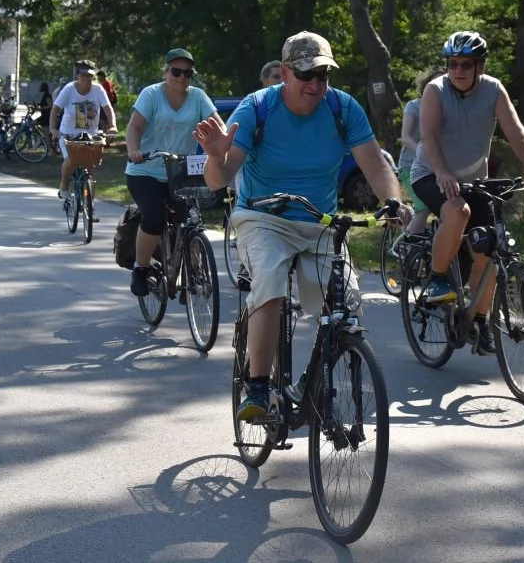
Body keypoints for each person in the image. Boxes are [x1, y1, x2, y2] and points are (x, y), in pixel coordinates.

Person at [194, 31, 411, 421]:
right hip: (264, 218)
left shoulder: (343, 108)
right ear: (284, 74)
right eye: (307, 75)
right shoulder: (256, 108)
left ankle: (310, 383)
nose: (316, 84)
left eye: (323, 75)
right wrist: (214, 154)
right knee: (272, 286)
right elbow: (218, 179)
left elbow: (375, 164)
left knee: (346, 306)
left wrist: (393, 200)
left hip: (319, 222)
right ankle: (257, 386)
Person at [410, 31, 524, 354]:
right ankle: (437, 276)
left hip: (475, 180)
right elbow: (428, 138)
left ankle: (479, 321)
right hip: (431, 173)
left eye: (466, 65)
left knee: (487, 251)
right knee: (457, 211)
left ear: (480, 67)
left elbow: (515, 130)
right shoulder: (435, 90)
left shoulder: (493, 90)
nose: (457, 71)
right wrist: (443, 173)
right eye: (452, 64)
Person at [125, 48, 221, 297]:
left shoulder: (198, 97)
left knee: (191, 218)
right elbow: (134, 127)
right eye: (176, 71)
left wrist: (223, 146)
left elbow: (218, 128)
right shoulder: (151, 94)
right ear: (165, 72)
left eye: (187, 73)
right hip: (145, 170)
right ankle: (141, 268)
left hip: (179, 171)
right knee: (154, 218)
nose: (182, 77)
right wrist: (134, 150)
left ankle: (196, 270)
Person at [50, 61, 116, 198]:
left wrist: (112, 126)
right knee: (71, 160)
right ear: (78, 75)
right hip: (69, 134)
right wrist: (53, 129)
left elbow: (108, 109)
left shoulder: (98, 90)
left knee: (91, 166)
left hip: (90, 134)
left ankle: (89, 204)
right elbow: (55, 108)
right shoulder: (69, 89)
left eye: (90, 76)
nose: (87, 79)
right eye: (84, 75)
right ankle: (64, 186)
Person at [398, 67, 446, 235]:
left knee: (447, 208)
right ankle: (411, 252)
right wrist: (424, 150)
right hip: (410, 166)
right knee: (424, 207)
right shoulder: (414, 106)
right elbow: (405, 137)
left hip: (437, 168)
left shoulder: (448, 109)